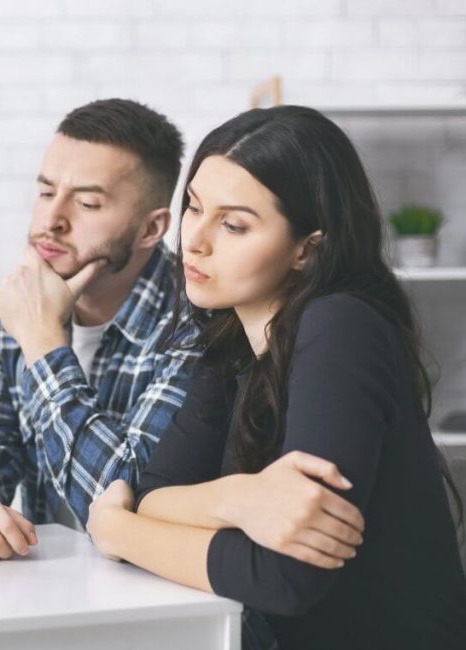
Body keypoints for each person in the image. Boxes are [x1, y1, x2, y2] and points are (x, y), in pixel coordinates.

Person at [86, 105, 466, 648]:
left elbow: (285, 578)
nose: (195, 240)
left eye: (234, 225)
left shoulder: (342, 327)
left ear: (308, 247)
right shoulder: (229, 342)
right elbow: (154, 493)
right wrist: (237, 499)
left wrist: (116, 530)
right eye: (194, 206)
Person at [0, 99, 201, 560]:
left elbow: (127, 508)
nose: (52, 221)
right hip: (51, 587)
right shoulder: (5, 312)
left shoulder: (194, 322)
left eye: (88, 203)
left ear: (151, 228)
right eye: (46, 192)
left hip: (162, 590)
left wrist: (42, 341)